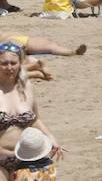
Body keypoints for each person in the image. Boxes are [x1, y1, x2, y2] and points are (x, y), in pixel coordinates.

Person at [0, 41, 62, 175]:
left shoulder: (25, 86)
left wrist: (50, 137)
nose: (9, 67)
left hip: (28, 157)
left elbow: (34, 119)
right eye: (4, 63)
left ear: (20, 63)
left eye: (13, 63)